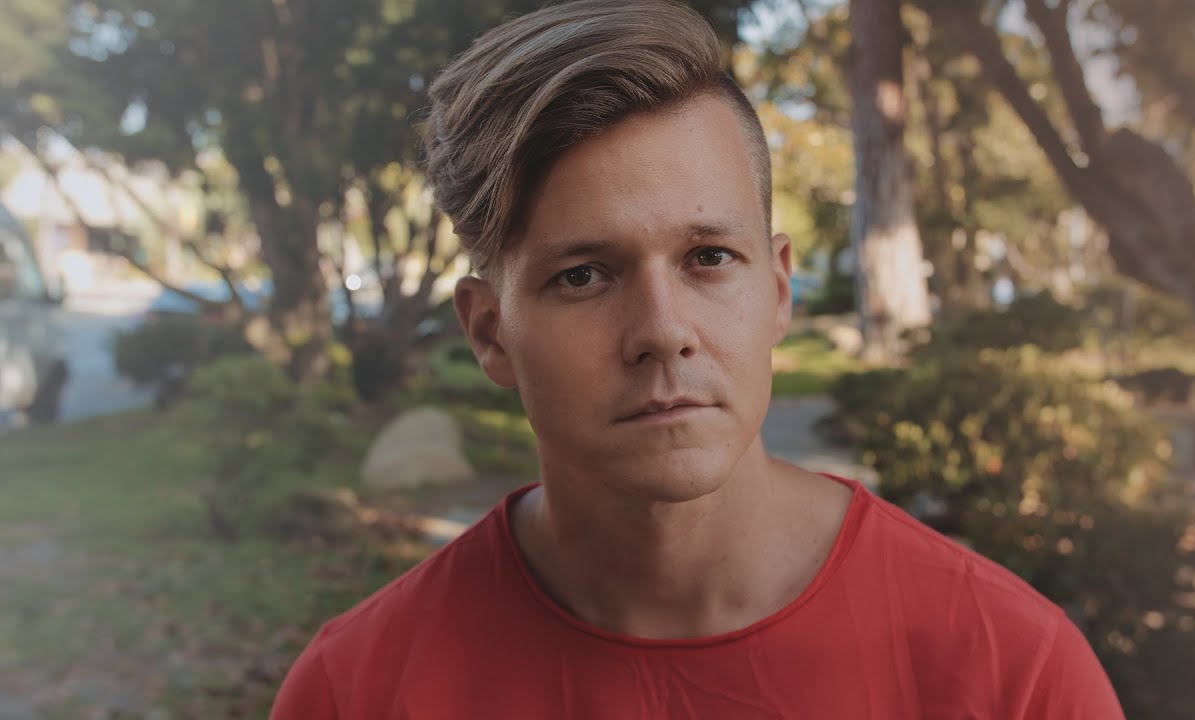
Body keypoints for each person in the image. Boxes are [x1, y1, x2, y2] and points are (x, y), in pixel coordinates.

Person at [270, 2, 1125, 717]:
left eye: (708, 257)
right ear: (492, 332)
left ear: (778, 290)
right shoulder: (357, 691)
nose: (663, 329)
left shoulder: (1013, 673)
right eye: (582, 275)